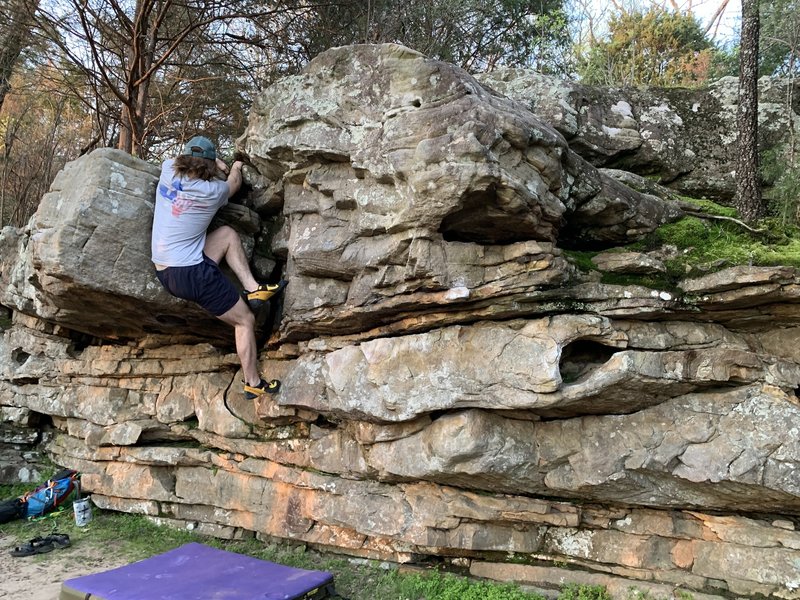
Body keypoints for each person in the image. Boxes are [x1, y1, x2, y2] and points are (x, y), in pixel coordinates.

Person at [151, 135, 287, 401]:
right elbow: (233, 184)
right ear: (210, 165)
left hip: (165, 268)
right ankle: (253, 382)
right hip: (191, 273)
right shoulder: (213, 192)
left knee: (226, 235)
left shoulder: (168, 170)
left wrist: (213, 166)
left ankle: (253, 288)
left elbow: (192, 165)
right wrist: (232, 168)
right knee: (245, 320)